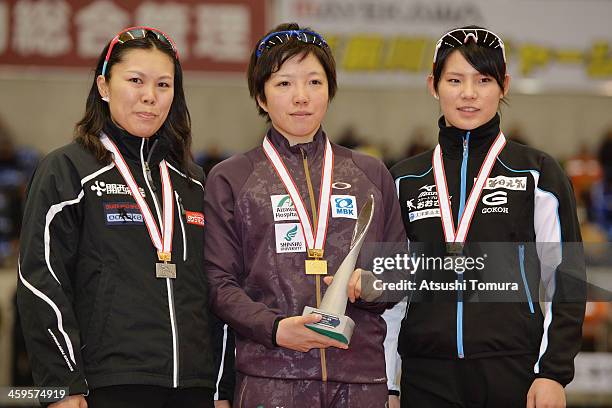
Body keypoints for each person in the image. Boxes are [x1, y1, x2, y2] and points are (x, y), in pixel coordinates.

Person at [204, 23, 406, 408]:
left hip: (360, 378)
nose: (301, 97)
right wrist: (276, 329)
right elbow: (219, 284)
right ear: (261, 97)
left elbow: (399, 274)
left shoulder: (371, 175)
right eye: (283, 84)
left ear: (329, 89)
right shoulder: (232, 178)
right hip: (271, 377)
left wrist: (372, 283)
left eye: (314, 82)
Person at [17, 27, 219, 408]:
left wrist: (221, 388)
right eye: (135, 80)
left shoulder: (193, 181)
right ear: (104, 86)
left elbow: (215, 286)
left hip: (193, 386)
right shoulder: (67, 170)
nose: (150, 96)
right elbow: (40, 279)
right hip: (105, 385)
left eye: (163, 84)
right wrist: (61, 384)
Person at [389, 26, 585, 407]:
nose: (468, 93)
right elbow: (391, 294)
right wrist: (388, 385)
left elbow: (567, 277)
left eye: (483, 80)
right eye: (454, 80)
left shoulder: (537, 173)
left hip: (513, 372)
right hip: (426, 375)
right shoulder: (403, 180)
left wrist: (552, 373)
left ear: (504, 85)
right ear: (434, 85)